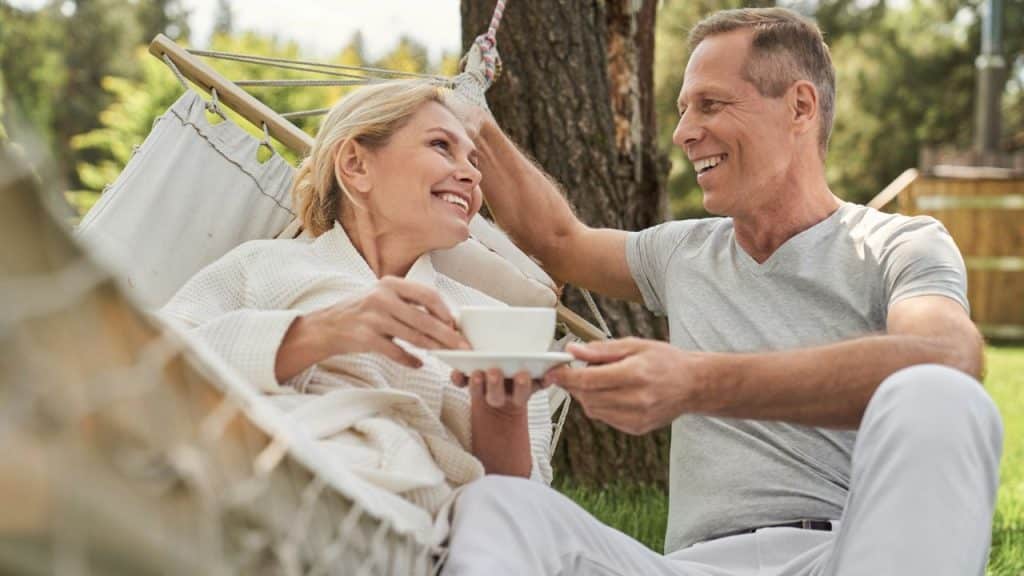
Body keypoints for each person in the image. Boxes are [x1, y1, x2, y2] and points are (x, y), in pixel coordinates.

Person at [442, 7, 1003, 576]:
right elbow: (559, 240)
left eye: (711, 105)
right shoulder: (680, 252)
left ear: (800, 107)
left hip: (846, 556)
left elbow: (949, 356)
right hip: (692, 568)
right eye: (684, 110)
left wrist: (695, 383)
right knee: (494, 507)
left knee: (944, 397)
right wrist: (476, 125)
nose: (684, 132)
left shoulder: (897, 244)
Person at [160, 80, 553, 527]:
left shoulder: (497, 325)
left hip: (405, 525)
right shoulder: (263, 265)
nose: (472, 174)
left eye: (474, 160)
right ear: (355, 165)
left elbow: (522, 509)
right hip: (265, 471)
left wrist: (501, 412)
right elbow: (150, 361)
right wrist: (319, 332)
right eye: (442, 146)